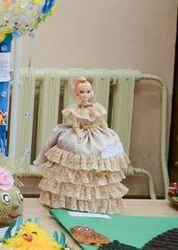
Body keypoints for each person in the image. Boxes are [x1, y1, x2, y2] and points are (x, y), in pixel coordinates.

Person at [35, 77, 129, 214]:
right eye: (82, 92)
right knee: (74, 146)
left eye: (88, 92)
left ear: (91, 93)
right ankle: (69, 198)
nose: (85, 95)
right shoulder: (75, 110)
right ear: (77, 94)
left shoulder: (96, 108)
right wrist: (79, 133)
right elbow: (76, 125)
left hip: (96, 132)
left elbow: (102, 121)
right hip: (80, 132)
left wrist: (107, 130)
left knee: (104, 146)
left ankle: (95, 200)